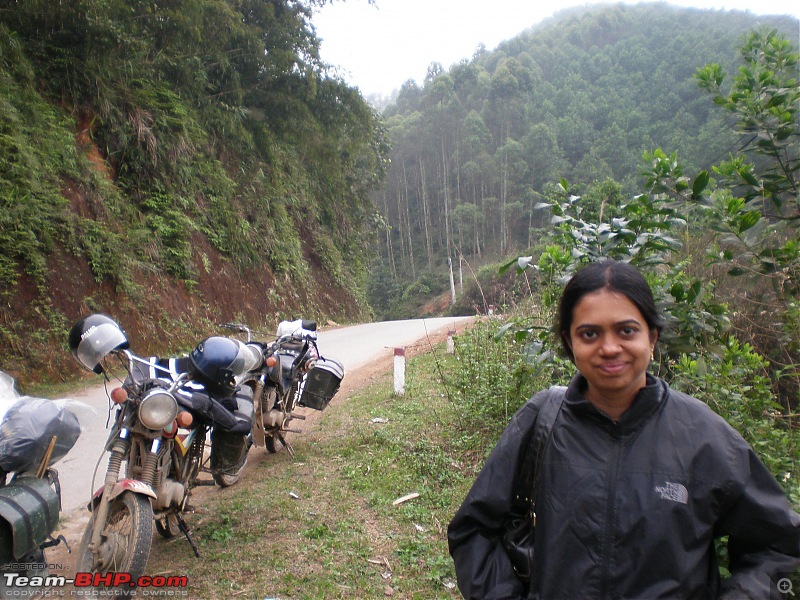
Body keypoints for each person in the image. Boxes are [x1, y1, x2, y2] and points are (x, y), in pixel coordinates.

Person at [448, 259, 800, 599]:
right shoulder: (542, 422)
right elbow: (474, 528)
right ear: (570, 343)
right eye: (590, 333)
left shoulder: (703, 435)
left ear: (652, 336)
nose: (610, 348)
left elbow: (776, 543)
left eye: (626, 330)